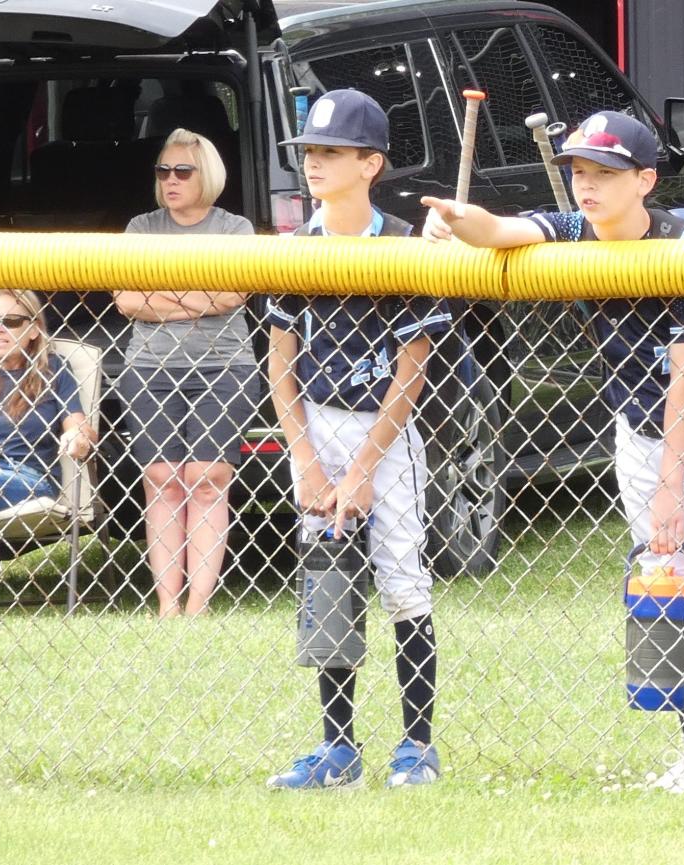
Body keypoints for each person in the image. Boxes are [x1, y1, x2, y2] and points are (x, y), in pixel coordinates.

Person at [422, 110, 684, 792]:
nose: (586, 185)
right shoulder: (576, 231)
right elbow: (502, 231)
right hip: (633, 426)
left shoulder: (682, 242)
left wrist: (672, 485)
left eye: (604, 173)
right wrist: (458, 218)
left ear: (644, 179)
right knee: (658, 587)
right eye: (578, 171)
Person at [265, 89, 451, 790]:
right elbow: (280, 364)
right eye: (309, 152)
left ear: (370, 163)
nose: (314, 163)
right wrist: (306, 459)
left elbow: (412, 370)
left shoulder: (404, 244)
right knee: (328, 578)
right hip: (315, 422)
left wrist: (365, 466)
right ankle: (337, 746)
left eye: (331, 152)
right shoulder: (297, 248)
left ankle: (417, 743)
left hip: (385, 429)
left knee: (403, 582)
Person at [114, 128, 259, 618]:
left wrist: (161, 301)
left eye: (182, 171)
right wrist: (195, 301)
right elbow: (126, 300)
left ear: (208, 176)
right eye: (163, 171)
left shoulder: (235, 228)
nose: (170, 180)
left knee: (208, 476)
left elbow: (235, 294)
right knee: (160, 478)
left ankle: (197, 605)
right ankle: (167, 606)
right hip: (150, 367)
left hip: (225, 366)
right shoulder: (140, 227)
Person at [0, 289, 96, 576]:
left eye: (10, 322)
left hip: (28, 480)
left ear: (34, 329)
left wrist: (77, 437)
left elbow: (79, 426)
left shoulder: (54, 371)